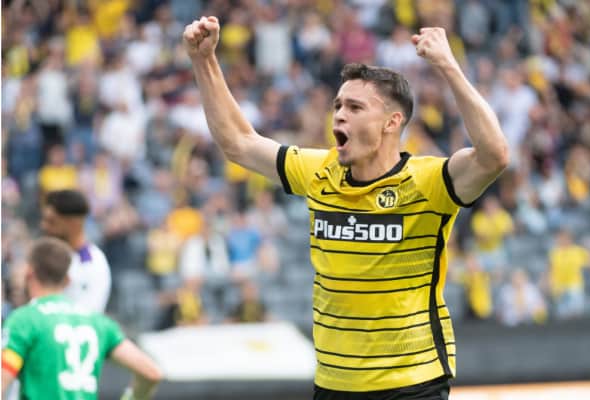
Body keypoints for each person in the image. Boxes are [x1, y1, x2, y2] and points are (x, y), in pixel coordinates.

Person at [183, 16, 508, 397]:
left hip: (412, 383)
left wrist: (447, 66)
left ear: (392, 122)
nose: (339, 114)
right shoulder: (319, 172)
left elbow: (494, 155)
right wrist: (204, 60)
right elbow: (238, 142)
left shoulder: (429, 182)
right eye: (338, 105)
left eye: (355, 107)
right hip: (334, 384)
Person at [1, 237, 163, 400]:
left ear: (29, 273)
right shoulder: (98, 323)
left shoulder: (24, 320)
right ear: (67, 280)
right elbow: (151, 373)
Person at [41, 189, 111, 313]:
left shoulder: (93, 262)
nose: (44, 226)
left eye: (52, 221)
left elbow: (89, 313)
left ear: (73, 224)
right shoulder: (41, 256)